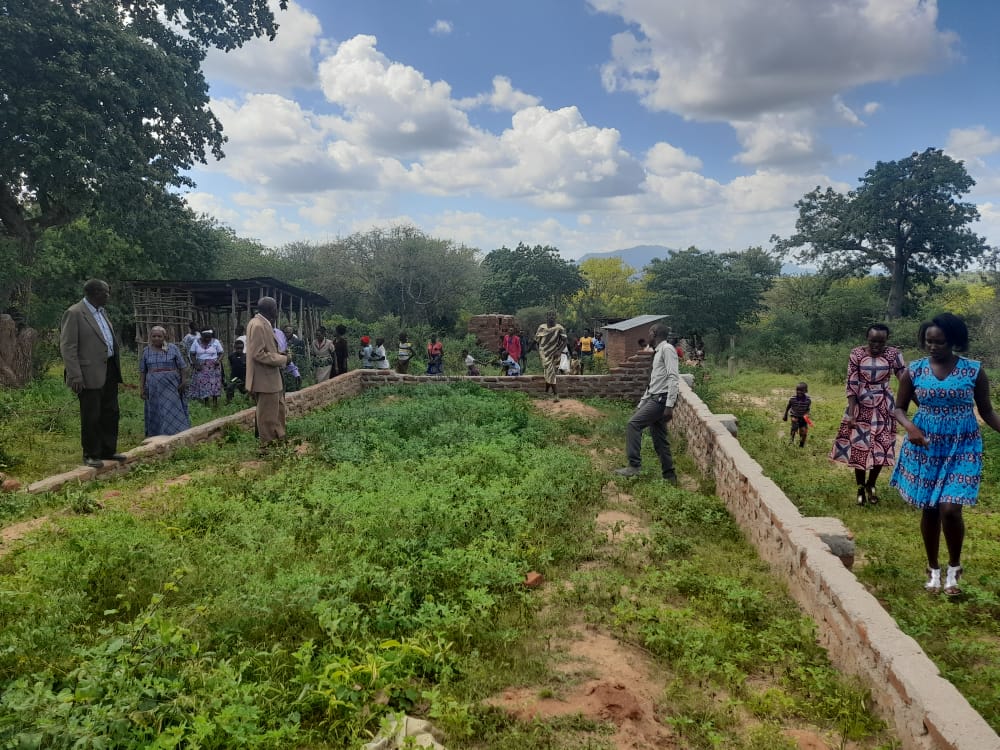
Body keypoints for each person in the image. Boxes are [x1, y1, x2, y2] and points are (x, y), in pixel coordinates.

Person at [890, 313, 1000, 597]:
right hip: (925, 444)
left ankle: (954, 568)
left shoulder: (973, 371)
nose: (932, 346)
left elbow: (986, 411)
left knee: (950, 509)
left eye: (939, 342)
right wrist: (910, 427)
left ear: (953, 341)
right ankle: (932, 569)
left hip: (963, 445)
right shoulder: (913, 371)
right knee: (929, 508)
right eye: (928, 341)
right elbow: (898, 408)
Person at [830, 324, 906, 506]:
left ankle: (871, 484)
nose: (876, 345)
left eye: (881, 342)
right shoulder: (856, 354)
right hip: (860, 405)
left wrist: (920, 399)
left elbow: (904, 378)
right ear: (867, 339)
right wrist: (852, 413)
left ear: (886, 341)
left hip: (884, 406)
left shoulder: (893, 354)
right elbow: (852, 383)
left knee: (882, 445)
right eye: (873, 341)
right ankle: (860, 487)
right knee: (860, 446)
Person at [60, 279, 125, 468]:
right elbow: (68, 347)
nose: (108, 296)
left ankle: (108, 450)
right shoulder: (74, 313)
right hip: (88, 373)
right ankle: (91, 454)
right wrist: (75, 375)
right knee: (91, 415)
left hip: (110, 368)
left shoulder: (102, 312)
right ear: (95, 293)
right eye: (106, 292)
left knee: (111, 412)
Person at [615, 323, 678, 483]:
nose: (647, 336)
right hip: (655, 397)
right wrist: (641, 404)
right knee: (660, 440)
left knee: (633, 425)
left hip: (661, 400)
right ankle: (670, 476)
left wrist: (669, 405)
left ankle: (634, 466)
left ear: (655, 333)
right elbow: (653, 383)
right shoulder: (657, 352)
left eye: (649, 333)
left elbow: (673, 377)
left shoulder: (667, 349)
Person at [246, 297, 290, 447]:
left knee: (278, 410)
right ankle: (268, 446)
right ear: (270, 309)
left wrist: (281, 355)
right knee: (267, 415)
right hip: (264, 379)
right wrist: (283, 359)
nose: (277, 311)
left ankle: (279, 439)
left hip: (271, 377)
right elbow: (258, 354)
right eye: (276, 308)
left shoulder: (263, 323)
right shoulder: (258, 325)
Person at [138, 325, 190, 437]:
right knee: (156, 410)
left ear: (164, 337)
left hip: (171, 386)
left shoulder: (173, 348)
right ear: (150, 337)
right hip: (153, 388)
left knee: (171, 409)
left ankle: (177, 434)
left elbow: (182, 367)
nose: (157, 338)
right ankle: (156, 435)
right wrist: (142, 388)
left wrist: (184, 381)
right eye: (154, 336)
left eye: (159, 336)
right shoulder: (146, 351)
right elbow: (143, 371)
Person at [188, 329, 225, 407]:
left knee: (214, 384)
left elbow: (221, 353)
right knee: (203, 385)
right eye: (205, 337)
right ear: (202, 336)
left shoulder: (216, 342)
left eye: (209, 337)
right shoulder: (196, 342)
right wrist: (196, 364)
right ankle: (206, 403)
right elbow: (192, 354)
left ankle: (215, 403)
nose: (207, 339)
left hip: (214, 367)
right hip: (201, 367)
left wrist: (218, 361)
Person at [535, 312, 567, 400]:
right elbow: (536, 341)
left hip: (555, 353)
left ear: (556, 317)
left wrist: (559, 351)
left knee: (549, 373)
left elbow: (565, 341)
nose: (551, 317)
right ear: (546, 317)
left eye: (553, 315)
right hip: (544, 354)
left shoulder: (559, 328)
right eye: (549, 315)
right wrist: (539, 352)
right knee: (550, 372)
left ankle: (546, 393)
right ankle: (556, 394)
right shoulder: (541, 327)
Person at [783, 382, 812, 448]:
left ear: (806, 391)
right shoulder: (793, 398)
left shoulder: (808, 400)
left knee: (804, 432)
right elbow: (788, 406)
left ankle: (801, 445)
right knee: (794, 428)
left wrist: (807, 415)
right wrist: (785, 415)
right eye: (797, 390)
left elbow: (807, 408)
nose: (799, 392)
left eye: (801, 390)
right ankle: (791, 441)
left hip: (803, 417)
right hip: (794, 415)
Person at [274, 325, 302, 390]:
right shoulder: (278, 337)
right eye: (285, 332)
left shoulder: (284, 342)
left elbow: (287, 359)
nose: (286, 334)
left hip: (281, 371)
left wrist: (296, 374)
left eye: (289, 332)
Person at [226, 337, 248, 403]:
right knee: (230, 387)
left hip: (244, 378)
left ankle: (248, 401)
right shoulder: (231, 356)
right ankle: (229, 402)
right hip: (234, 377)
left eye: (241, 348)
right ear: (235, 348)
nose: (239, 350)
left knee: (245, 390)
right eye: (237, 348)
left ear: (243, 348)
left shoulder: (246, 356)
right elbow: (231, 365)